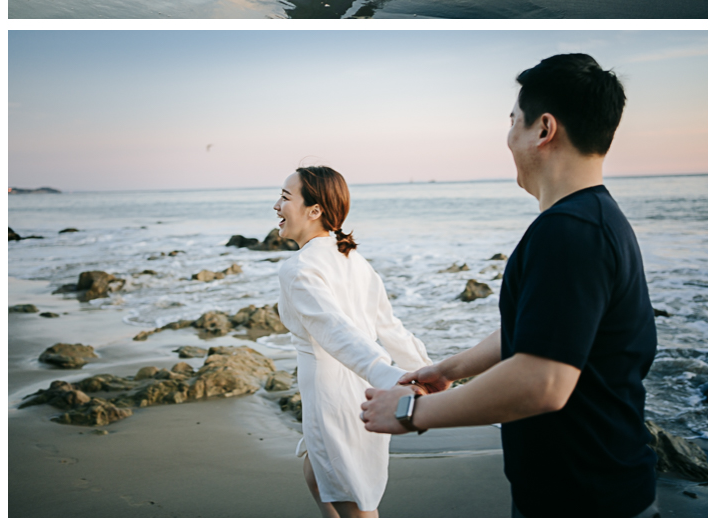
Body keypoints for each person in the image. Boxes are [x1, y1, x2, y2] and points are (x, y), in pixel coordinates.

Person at [361, 54, 659, 519]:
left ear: (544, 129)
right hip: (590, 488)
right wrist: (450, 368)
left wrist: (408, 414)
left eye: (513, 122)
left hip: (585, 500)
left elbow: (543, 383)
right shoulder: (593, 220)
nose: (508, 138)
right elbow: (548, 331)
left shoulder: (570, 232)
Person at [275, 165, 430, 517]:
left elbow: (335, 331)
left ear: (314, 211)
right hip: (363, 386)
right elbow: (390, 329)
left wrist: (395, 377)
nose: (276, 206)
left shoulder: (298, 268)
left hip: (335, 394)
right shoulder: (354, 259)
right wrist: (424, 370)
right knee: (318, 474)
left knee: (355, 501)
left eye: (285, 197)